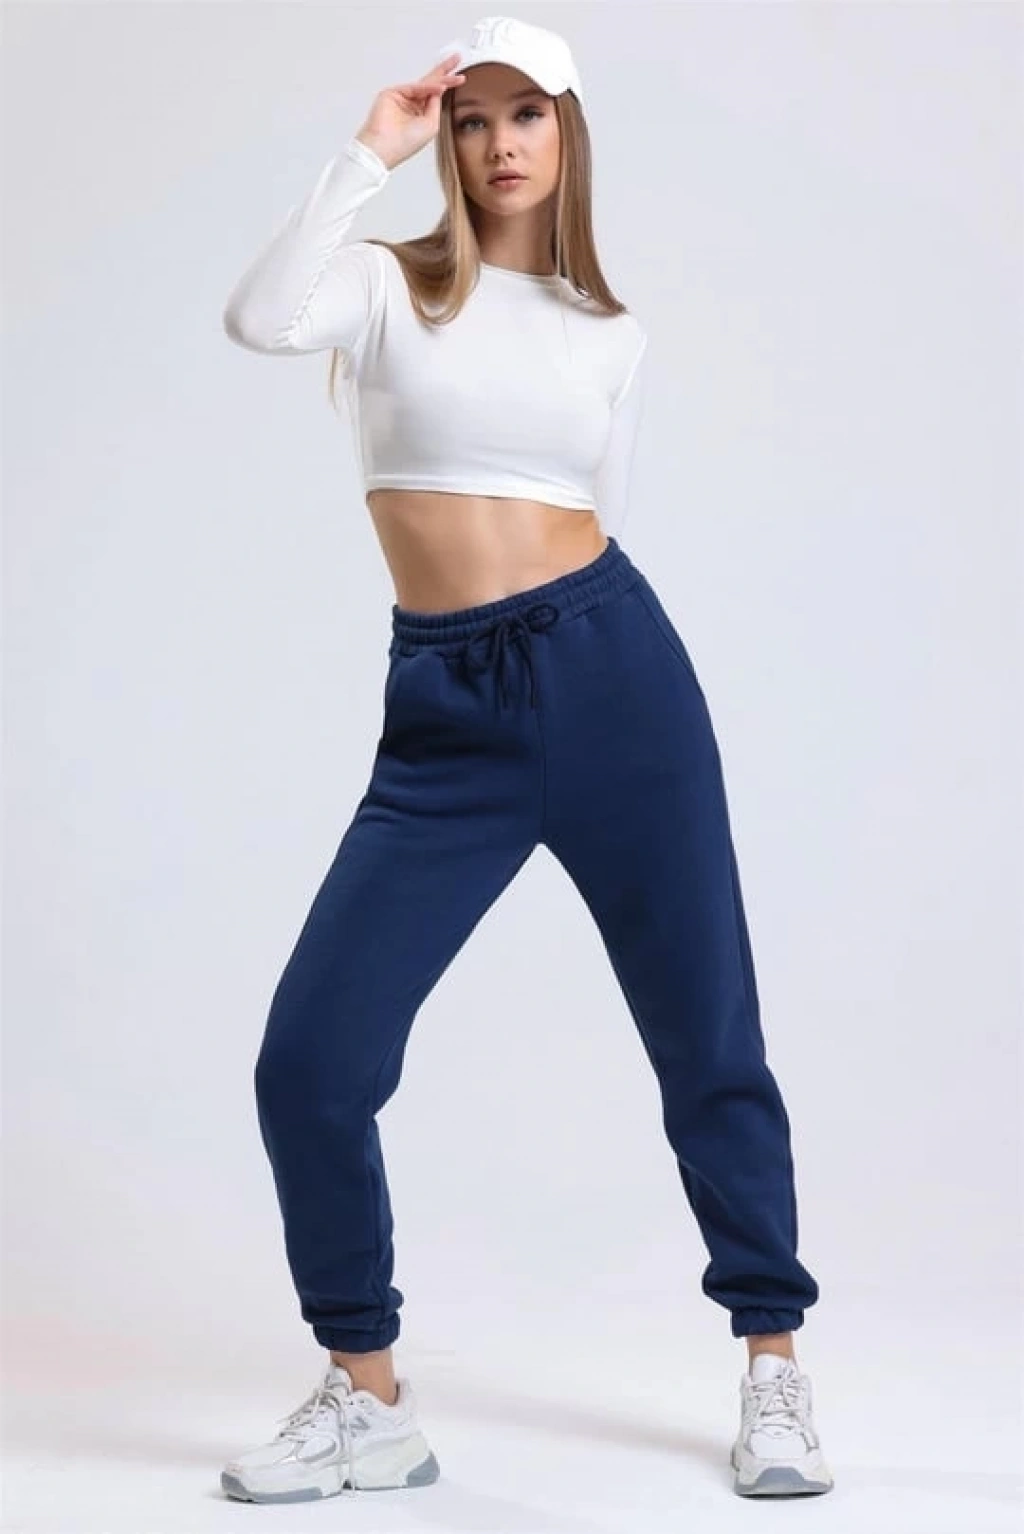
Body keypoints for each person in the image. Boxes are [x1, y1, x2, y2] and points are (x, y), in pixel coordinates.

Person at [218, 14, 833, 1506]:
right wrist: (366, 151)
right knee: (312, 1062)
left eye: (528, 115)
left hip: (616, 676)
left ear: (569, 134)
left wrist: (577, 652)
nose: (500, 142)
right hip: (445, 713)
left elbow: (602, 507)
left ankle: (774, 1366)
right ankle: (367, 1398)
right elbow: (257, 317)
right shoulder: (386, 287)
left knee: (708, 1037)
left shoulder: (609, 332)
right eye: (472, 117)